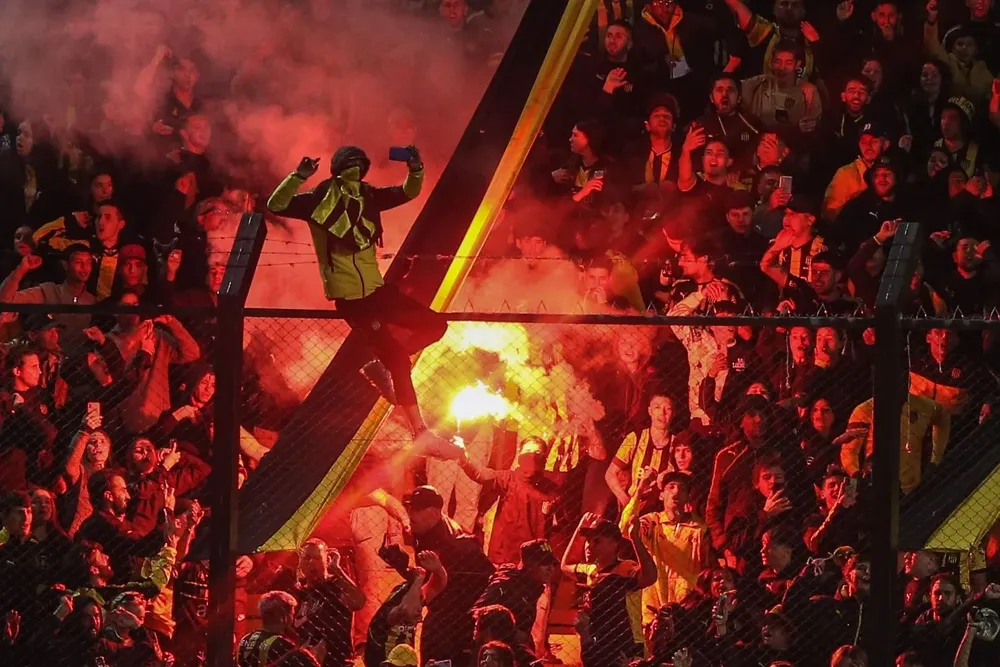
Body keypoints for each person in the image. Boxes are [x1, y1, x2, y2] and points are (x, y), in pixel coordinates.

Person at [267, 146, 455, 454]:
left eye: (359, 167)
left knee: (436, 325)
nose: (355, 174)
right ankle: (419, 431)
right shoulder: (317, 201)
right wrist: (298, 176)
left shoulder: (368, 197)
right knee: (398, 360)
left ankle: (382, 366)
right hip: (353, 300)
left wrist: (415, 168)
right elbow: (276, 204)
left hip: (378, 291)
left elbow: (408, 192)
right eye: (351, 167)